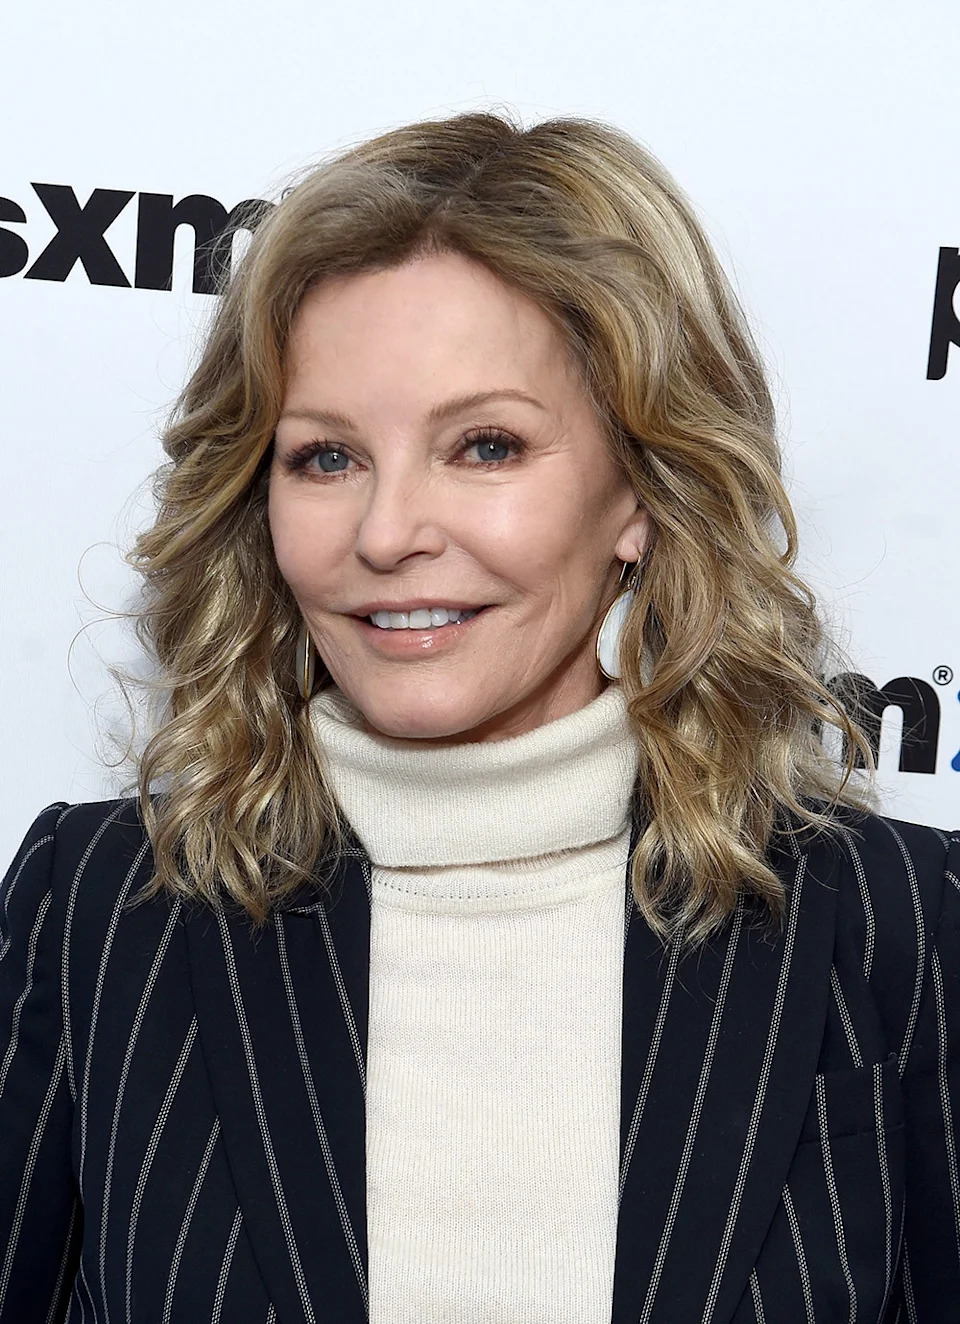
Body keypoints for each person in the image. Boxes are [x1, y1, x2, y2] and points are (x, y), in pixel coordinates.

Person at [1, 109, 957, 1324]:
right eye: (326, 458)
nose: (389, 531)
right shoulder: (95, 911)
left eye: (486, 446)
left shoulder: (897, 930)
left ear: (641, 493)